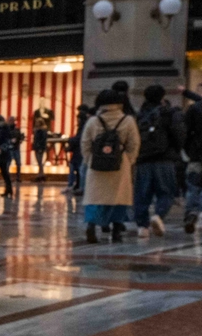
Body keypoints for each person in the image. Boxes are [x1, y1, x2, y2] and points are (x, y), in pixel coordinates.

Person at [80, 90, 139, 244]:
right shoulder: (127, 120)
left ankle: (91, 225)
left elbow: (85, 143)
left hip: (97, 163)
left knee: (95, 197)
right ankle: (117, 230)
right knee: (119, 198)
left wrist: (89, 160)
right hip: (120, 164)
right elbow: (134, 144)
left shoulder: (93, 121)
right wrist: (128, 160)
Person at [133, 84, 186, 238]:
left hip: (143, 160)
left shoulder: (140, 114)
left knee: (142, 194)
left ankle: (142, 227)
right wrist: (176, 150)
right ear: (162, 96)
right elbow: (179, 134)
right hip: (164, 159)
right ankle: (158, 215)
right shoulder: (168, 113)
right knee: (166, 192)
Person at [182, 86, 202, 235]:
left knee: (193, 186)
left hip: (196, 154)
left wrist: (189, 151)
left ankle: (192, 212)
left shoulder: (194, 109)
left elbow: (185, 132)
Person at [66, 104, 91, 196]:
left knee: (79, 169)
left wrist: (70, 140)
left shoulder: (84, 126)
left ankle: (78, 186)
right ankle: (77, 186)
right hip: (80, 151)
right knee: (78, 169)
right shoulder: (85, 125)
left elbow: (80, 138)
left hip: (80, 151)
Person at [0, 115, 15, 199]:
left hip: (0, 153)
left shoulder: (1, 128)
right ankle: (8, 189)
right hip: (1, 153)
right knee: (3, 173)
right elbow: (8, 141)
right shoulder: (4, 127)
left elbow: (7, 140)